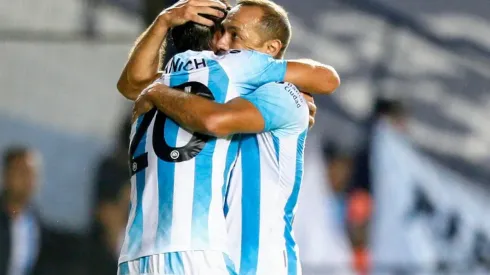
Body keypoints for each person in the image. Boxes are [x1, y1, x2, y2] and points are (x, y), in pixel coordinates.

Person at [117, 1, 339, 275]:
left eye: (235, 35)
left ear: (270, 50)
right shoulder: (214, 84)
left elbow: (327, 78)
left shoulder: (280, 93)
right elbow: (133, 84)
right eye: (219, 32)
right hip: (210, 253)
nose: (221, 43)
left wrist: (154, 91)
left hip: (259, 262)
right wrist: (164, 24)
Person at [0, 147, 83, 275]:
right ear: (6, 175)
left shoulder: (34, 224)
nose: (28, 180)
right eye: (22, 172)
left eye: (33, 174)